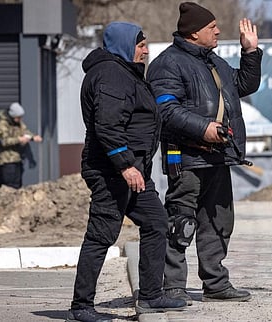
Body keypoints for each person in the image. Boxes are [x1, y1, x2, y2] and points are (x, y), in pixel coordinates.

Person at [66, 21, 186, 322]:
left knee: (156, 221)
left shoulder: (124, 73)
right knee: (101, 234)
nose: (145, 49)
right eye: (140, 43)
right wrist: (126, 165)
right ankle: (81, 306)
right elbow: (107, 125)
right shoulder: (111, 75)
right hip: (113, 171)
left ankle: (150, 296)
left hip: (132, 171)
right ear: (123, 44)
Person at [147, 2, 262, 304]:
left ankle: (216, 284)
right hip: (185, 158)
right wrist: (203, 128)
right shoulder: (167, 64)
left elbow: (242, 85)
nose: (219, 31)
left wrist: (250, 52)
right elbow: (166, 110)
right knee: (180, 223)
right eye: (212, 27)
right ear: (194, 33)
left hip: (217, 156)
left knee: (218, 222)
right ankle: (172, 288)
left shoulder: (212, 62)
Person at [0, 102, 42, 189]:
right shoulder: (1, 125)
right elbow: (4, 141)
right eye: (18, 117)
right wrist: (19, 139)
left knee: (17, 184)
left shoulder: (18, 123)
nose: (20, 119)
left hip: (17, 158)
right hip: (7, 160)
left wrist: (33, 137)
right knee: (10, 185)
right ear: (12, 116)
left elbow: (25, 131)